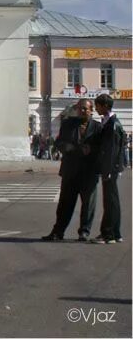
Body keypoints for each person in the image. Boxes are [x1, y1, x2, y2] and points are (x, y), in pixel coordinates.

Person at [41, 99, 100, 242]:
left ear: (91, 110)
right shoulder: (68, 124)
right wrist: (67, 147)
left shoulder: (98, 127)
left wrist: (92, 150)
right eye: (80, 108)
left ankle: (84, 232)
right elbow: (59, 142)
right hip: (70, 171)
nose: (82, 111)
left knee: (88, 205)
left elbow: (102, 147)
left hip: (89, 172)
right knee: (65, 204)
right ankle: (58, 232)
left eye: (85, 109)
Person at [91, 94, 126, 244]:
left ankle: (108, 234)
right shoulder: (109, 122)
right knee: (113, 200)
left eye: (97, 105)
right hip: (112, 167)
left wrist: (108, 170)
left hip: (110, 168)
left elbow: (111, 149)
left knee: (110, 201)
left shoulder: (112, 124)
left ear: (105, 106)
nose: (95, 108)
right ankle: (115, 233)